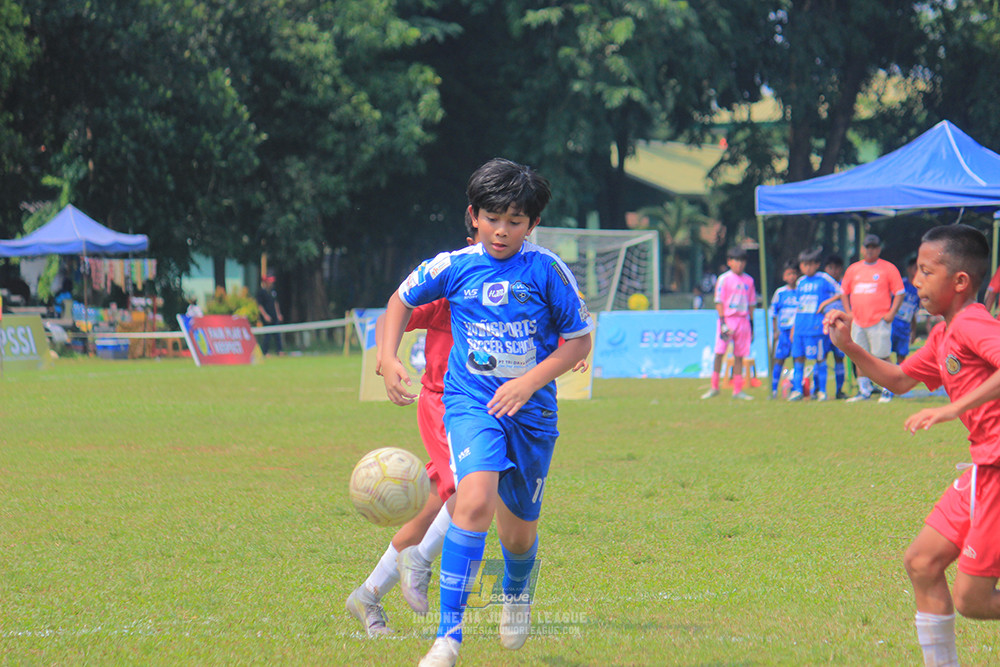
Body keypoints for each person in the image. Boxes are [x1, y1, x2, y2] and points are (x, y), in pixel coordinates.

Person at [380, 158, 594, 667]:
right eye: (493, 218)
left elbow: (579, 340)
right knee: (473, 500)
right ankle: (447, 639)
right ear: (473, 216)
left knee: (517, 535)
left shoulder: (546, 271)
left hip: (533, 415)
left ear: (533, 225)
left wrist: (527, 382)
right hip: (471, 403)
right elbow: (400, 300)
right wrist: (388, 358)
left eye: (516, 221)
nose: (503, 230)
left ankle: (516, 593)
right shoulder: (452, 266)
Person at [824, 223, 1000, 667]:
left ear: (960, 282)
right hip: (985, 467)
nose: (914, 282)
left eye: (925, 272)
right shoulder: (943, 334)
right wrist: (849, 347)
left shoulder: (974, 322)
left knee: (973, 599)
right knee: (922, 562)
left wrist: (946, 409)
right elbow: (901, 380)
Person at [840, 233, 905, 403]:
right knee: (860, 357)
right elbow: (843, 292)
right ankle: (864, 390)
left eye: (873, 247)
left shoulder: (887, 268)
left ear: (878, 249)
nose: (870, 251)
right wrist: (849, 312)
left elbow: (899, 292)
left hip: (879, 321)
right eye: (867, 247)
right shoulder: (854, 269)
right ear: (862, 249)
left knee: (882, 356)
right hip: (859, 321)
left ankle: (888, 389)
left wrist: (891, 313)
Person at [701, 246, 757, 401]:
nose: (739, 264)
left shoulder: (749, 280)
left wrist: (751, 325)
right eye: (736, 261)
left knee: (739, 356)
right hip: (728, 320)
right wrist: (723, 322)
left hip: (743, 321)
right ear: (729, 262)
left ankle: (737, 390)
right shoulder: (724, 279)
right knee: (719, 353)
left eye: (742, 261)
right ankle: (714, 387)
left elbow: (751, 303)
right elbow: (719, 301)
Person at [788, 248, 843, 401]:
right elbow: (798, 306)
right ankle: (798, 390)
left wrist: (826, 303)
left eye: (810, 264)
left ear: (817, 264)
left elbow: (841, 292)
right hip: (800, 327)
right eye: (804, 265)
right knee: (798, 358)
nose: (807, 268)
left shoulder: (824, 279)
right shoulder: (800, 282)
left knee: (820, 358)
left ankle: (822, 391)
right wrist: (793, 327)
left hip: (816, 328)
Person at [769, 260, 799, 399]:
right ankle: (773, 390)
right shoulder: (780, 293)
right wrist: (775, 331)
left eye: (794, 273)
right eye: (789, 274)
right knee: (779, 360)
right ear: (784, 277)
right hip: (783, 332)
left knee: (797, 359)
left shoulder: (801, 291)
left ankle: (797, 389)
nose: (792, 276)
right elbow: (773, 313)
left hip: (797, 333)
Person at [821, 254, 848, 399]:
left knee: (839, 358)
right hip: (824, 326)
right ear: (826, 269)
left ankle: (839, 390)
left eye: (837, 268)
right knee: (822, 358)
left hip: (840, 326)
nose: (834, 271)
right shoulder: (822, 283)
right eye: (831, 267)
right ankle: (821, 391)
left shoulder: (845, 284)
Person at [891, 257, 920, 365]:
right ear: (908, 269)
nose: (917, 271)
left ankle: (897, 379)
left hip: (905, 328)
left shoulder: (919, 290)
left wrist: (913, 331)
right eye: (915, 268)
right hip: (893, 325)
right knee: (883, 354)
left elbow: (913, 313)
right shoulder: (901, 284)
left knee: (902, 356)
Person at [256, 274, 283, 356]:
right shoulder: (261, 292)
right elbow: (259, 305)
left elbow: (275, 303)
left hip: (274, 316)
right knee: (267, 335)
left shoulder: (273, 292)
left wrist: (278, 314)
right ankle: (265, 351)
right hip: (267, 317)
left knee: (277, 334)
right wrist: (265, 315)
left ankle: (279, 350)